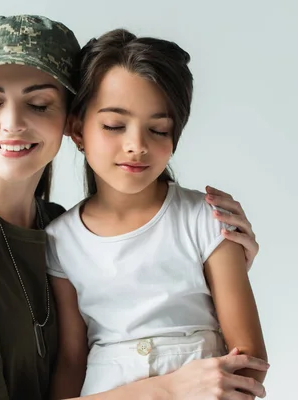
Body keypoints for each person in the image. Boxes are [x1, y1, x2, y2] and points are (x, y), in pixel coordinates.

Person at [0, 15, 269, 400]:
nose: (13, 122)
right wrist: (166, 389)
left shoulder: (53, 229)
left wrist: (216, 264)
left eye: (38, 104)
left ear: (67, 120)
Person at [45, 29, 268, 399]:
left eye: (159, 129)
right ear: (76, 129)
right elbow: (72, 361)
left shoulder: (205, 218)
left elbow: (249, 362)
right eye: (114, 126)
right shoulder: (60, 240)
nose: (137, 146)